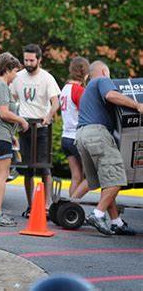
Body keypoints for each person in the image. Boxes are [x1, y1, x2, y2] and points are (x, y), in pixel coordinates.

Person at [76, 60, 142, 236]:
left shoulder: (88, 88)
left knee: (106, 181)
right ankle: (97, 215)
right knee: (118, 179)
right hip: (97, 134)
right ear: (105, 71)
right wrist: (137, 105)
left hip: (82, 136)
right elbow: (111, 96)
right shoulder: (102, 80)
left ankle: (116, 222)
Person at [10, 44, 60, 217]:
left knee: (45, 168)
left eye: (32, 60)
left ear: (39, 60)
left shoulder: (47, 78)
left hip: (41, 126)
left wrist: (48, 116)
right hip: (25, 126)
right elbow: (12, 98)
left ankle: (46, 206)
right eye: (26, 60)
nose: (28, 63)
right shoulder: (18, 77)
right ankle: (31, 206)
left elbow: (55, 102)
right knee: (27, 169)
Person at [0, 52, 29, 226]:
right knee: (2, 174)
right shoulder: (1, 86)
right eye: (15, 71)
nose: (16, 75)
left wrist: (12, 136)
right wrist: (21, 120)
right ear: (7, 69)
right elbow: (3, 113)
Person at [59, 57, 90, 198]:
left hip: (65, 137)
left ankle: (69, 210)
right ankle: (71, 205)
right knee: (92, 176)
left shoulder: (65, 89)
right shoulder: (79, 90)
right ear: (85, 73)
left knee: (76, 176)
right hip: (77, 137)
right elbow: (87, 114)